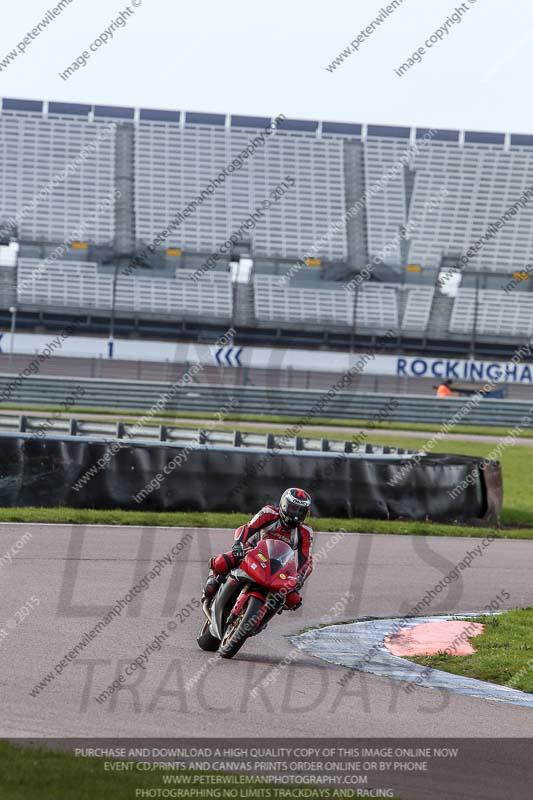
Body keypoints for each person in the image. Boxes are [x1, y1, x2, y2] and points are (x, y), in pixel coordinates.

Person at [202, 488, 313, 611]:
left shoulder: (305, 532)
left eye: (300, 511)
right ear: (284, 505)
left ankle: (263, 616)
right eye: (293, 508)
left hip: (279, 566)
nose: (296, 514)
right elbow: (247, 528)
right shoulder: (268, 512)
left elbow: (306, 561)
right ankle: (211, 585)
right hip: (253, 552)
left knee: (293, 600)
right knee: (221, 562)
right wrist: (238, 544)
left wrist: (298, 580)